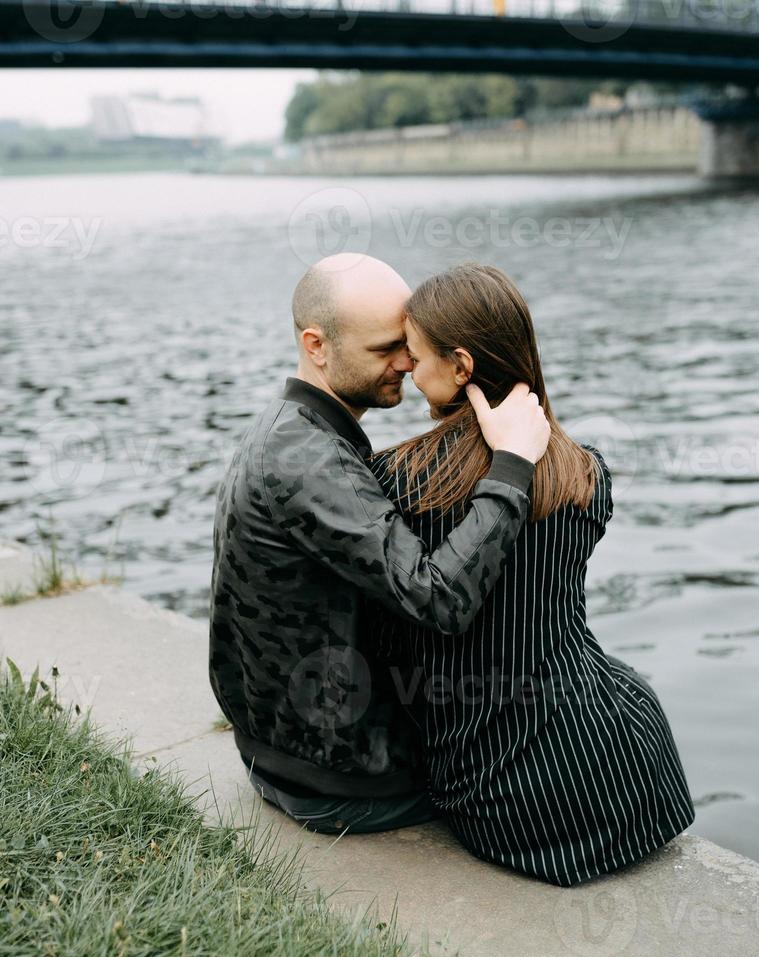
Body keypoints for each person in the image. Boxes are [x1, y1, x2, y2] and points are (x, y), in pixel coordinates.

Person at [367, 262, 696, 886]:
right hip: (632, 770)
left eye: (414, 354)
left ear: (461, 366)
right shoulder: (587, 473)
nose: (407, 368)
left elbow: (396, 633)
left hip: (505, 796)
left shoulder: (399, 481)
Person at [208, 252, 552, 835]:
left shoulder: (289, 427)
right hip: (344, 782)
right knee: (552, 761)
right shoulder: (307, 461)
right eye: (383, 350)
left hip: (281, 749)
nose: (407, 362)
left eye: (408, 344)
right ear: (316, 346)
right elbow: (439, 599)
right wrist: (513, 467)